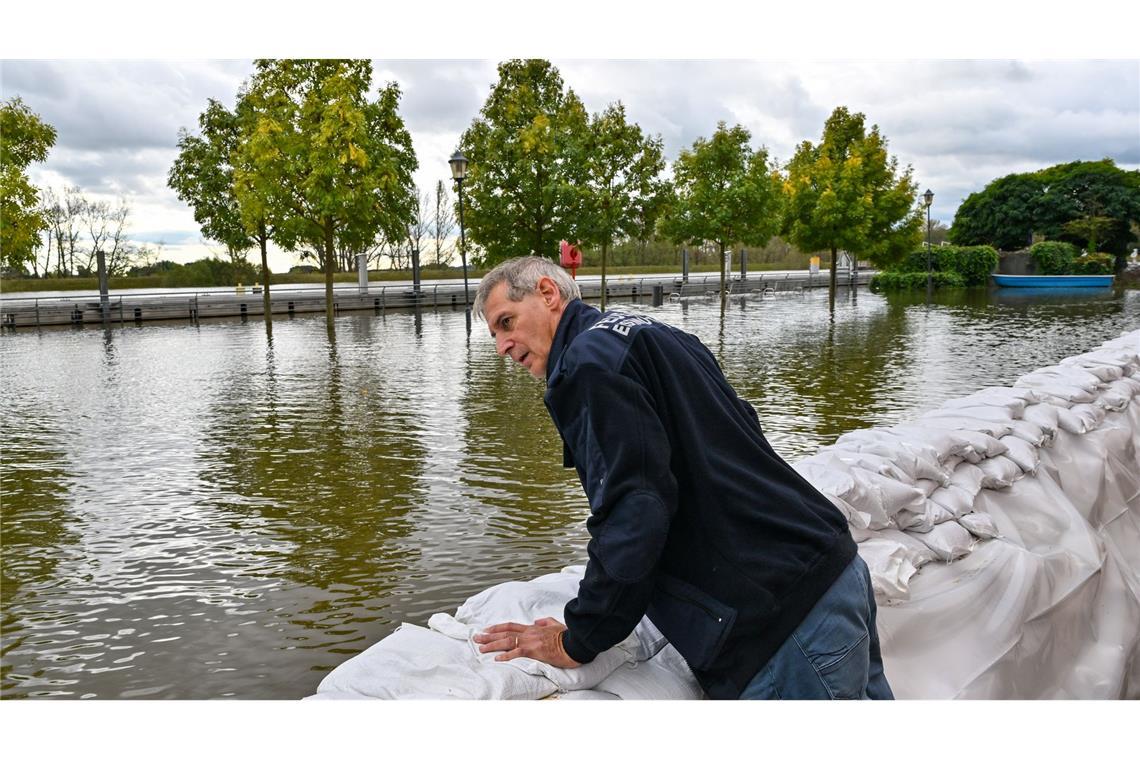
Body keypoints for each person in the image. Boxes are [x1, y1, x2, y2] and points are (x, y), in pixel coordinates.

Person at [470, 256, 893, 700]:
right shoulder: (650, 332)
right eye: (495, 333)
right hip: (832, 569)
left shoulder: (586, 366)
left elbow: (634, 511)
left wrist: (578, 638)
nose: (502, 346)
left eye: (506, 321)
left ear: (548, 294)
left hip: (780, 622)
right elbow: (742, 428)